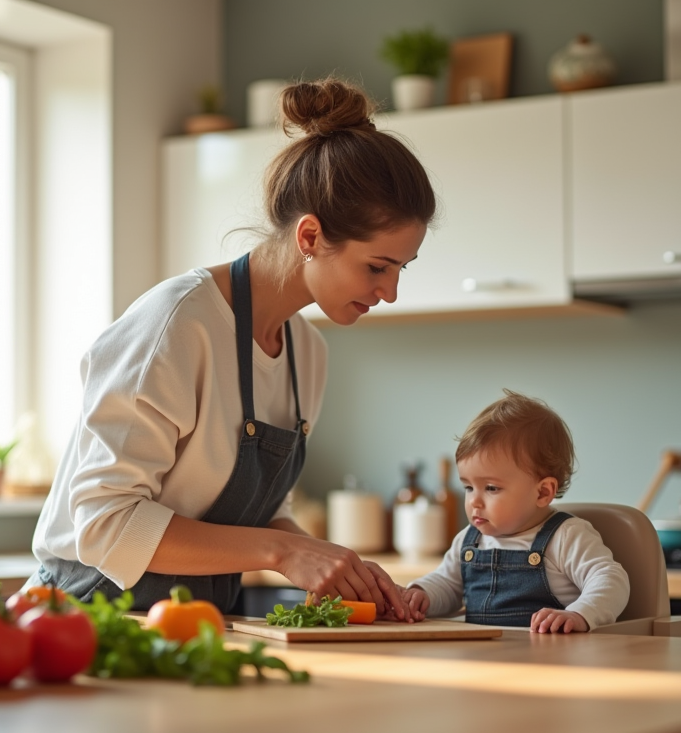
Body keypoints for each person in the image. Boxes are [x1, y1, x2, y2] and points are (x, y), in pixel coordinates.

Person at [26, 78, 436, 615]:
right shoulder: (176, 325)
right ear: (310, 237)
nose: (390, 292)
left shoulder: (307, 354)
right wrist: (284, 550)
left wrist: (335, 563)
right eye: (377, 267)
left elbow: (261, 516)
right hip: (86, 621)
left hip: (197, 624)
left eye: (400, 269)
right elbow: (106, 523)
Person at [394, 390, 630, 632]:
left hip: (549, 659)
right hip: (482, 658)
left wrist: (580, 614)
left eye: (491, 488)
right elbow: (447, 583)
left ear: (542, 493)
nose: (474, 501)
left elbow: (611, 580)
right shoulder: (469, 540)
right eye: (468, 487)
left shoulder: (566, 537)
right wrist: (421, 594)